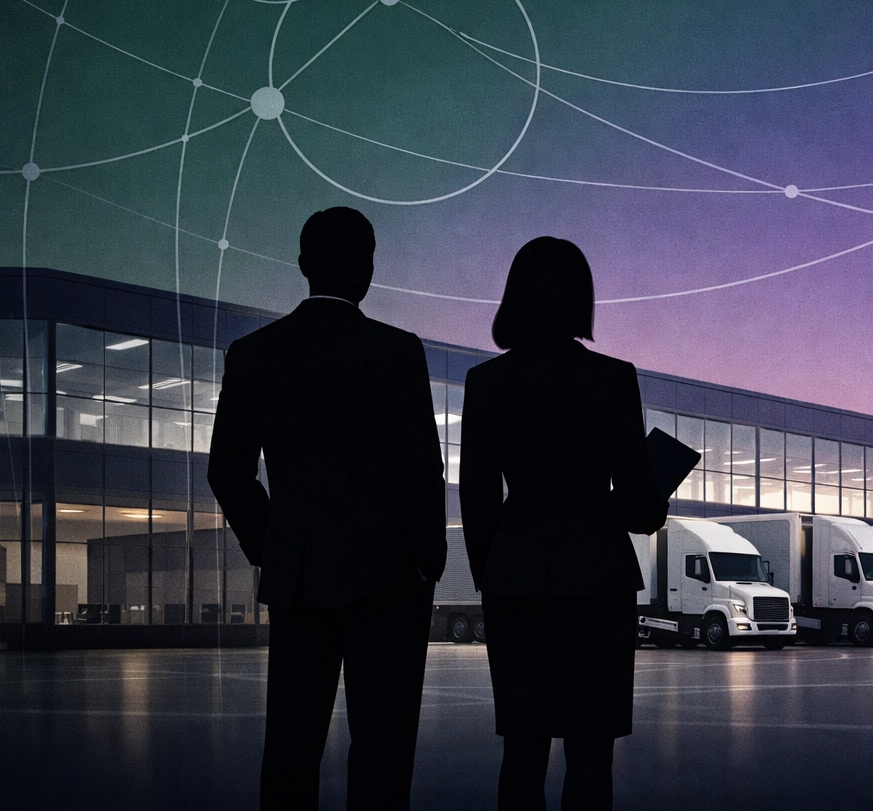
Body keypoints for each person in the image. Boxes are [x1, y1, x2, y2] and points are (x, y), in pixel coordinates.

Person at [208, 207, 446, 811]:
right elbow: (422, 472)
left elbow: (228, 471)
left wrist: (276, 545)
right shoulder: (396, 352)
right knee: (383, 753)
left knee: (290, 748)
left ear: (302, 265)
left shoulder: (255, 354)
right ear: (367, 270)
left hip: (301, 577)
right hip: (388, 578)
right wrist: (426, 562)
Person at [460, 236, 667, 811]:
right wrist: (653, 498)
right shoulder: (612, 379)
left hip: (517, 579)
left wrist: (493, 573)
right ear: (581, 299)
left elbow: (476, 499)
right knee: (591, 758)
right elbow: (635, 505)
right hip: (597, 578)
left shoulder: (487, 383)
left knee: (522, 753)